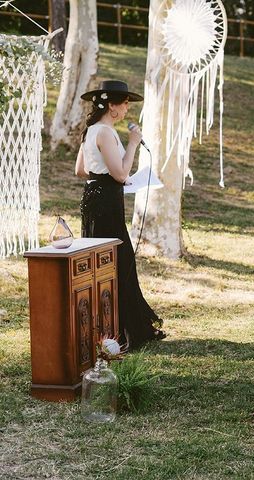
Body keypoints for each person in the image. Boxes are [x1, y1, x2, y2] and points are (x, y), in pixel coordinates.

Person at [75, 80, 165, 349]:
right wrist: (134, 143)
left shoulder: (90, 131)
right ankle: (127, 329)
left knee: (97, 261)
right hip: (107, 203)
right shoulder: (106, 133)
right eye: (124, 102)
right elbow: (121, 173)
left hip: (92, 198)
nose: (127, 108)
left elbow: (81, 170)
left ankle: (103, 325)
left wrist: (107, 175)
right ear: (112, 106)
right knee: (118, 261)